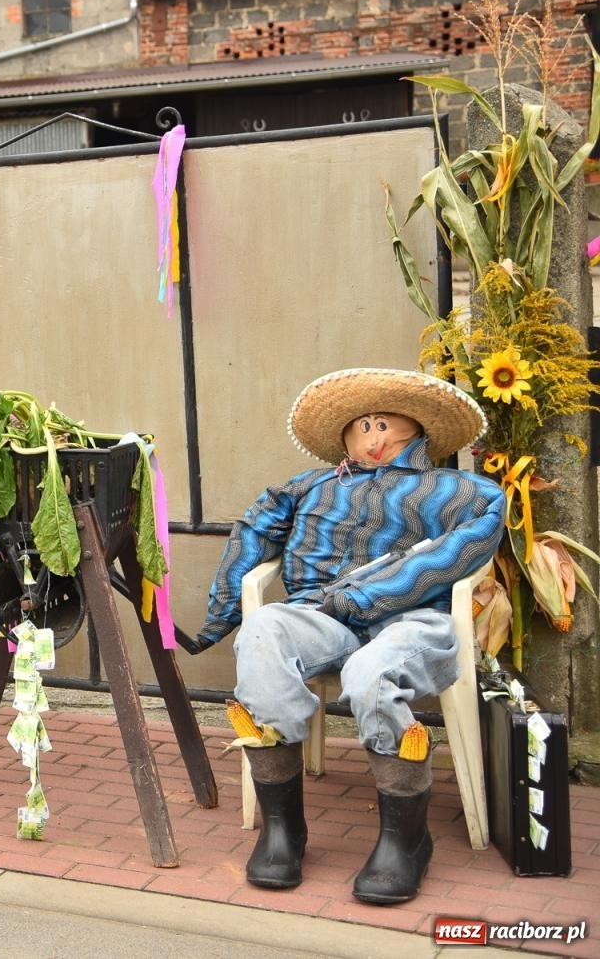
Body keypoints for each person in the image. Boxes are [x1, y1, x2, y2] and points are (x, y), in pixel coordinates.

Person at [194, 368, 504, 905]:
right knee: (263, 631)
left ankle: (406, 840)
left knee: (371, 673)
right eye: (361, 427)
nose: (373, 438)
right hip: (320, 615)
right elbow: (255, 532)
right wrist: (220, 617)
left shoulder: (463, 491)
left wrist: (363, 597)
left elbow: (459, 551)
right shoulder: (310, 486)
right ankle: (283, 828)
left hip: (411, 618)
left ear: (418, 428)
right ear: (343, 436)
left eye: (384, 424)